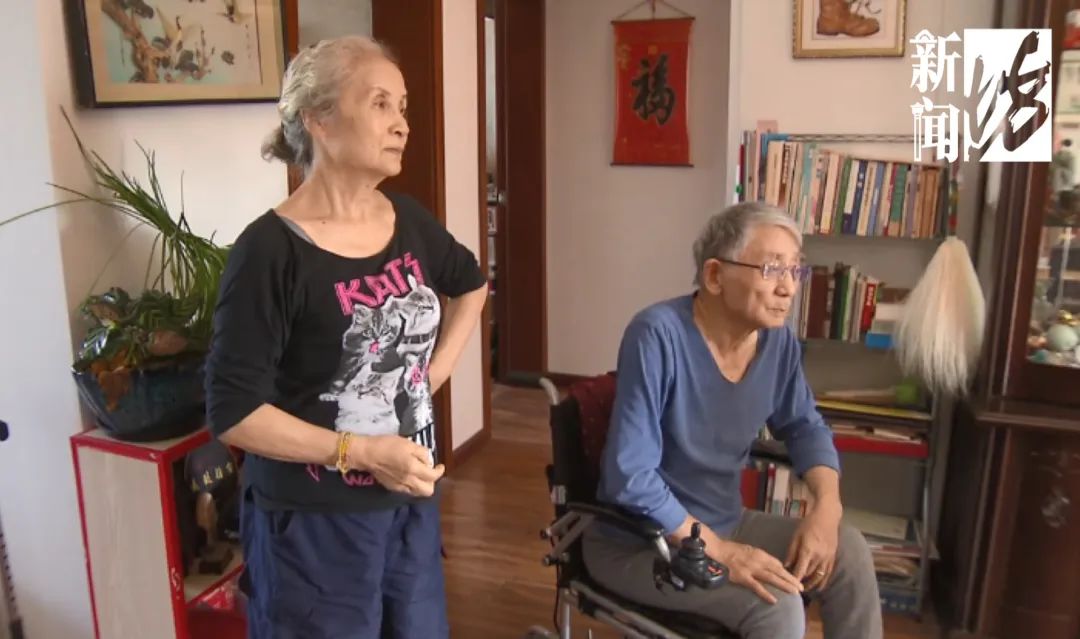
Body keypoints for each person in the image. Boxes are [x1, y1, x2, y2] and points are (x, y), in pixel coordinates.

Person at [204, 35, 488, 638]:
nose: (402, 124)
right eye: (380, 103)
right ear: (320, 119)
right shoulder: (269, 252)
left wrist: (428, 377)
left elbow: (471, 285)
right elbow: (234, 412)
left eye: (403, 107)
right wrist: (358, 452)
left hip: (407, 506)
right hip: (312, 528)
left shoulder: (408, 219)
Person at [582, 202, 882, 639]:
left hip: (725, 522)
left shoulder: (778, 344)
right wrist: (720, 550)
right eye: (772, 268)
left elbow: (805, 427)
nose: (788, 288)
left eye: (795, 270)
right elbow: (629, 475)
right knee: (776, 606)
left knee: (849, 550)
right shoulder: (656, 334)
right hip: (640, 543)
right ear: (715, 276)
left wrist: (827, 508)